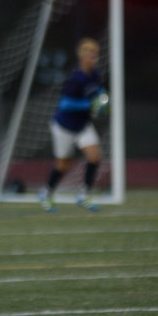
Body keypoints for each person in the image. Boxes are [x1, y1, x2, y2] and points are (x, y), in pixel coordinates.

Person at [39, 37, 108, 213]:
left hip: (83, 125)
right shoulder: (75, 79)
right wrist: (90, 105)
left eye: (95, 55)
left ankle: (84, 196)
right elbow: (65, 104)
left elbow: (99, 92)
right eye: (90, 54)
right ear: (82, 56)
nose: (94, 58)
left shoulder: (94, 75)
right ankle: (47, 193)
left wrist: (104, 100)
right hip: (65, 126)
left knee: (94, 157)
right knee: (63, 165)